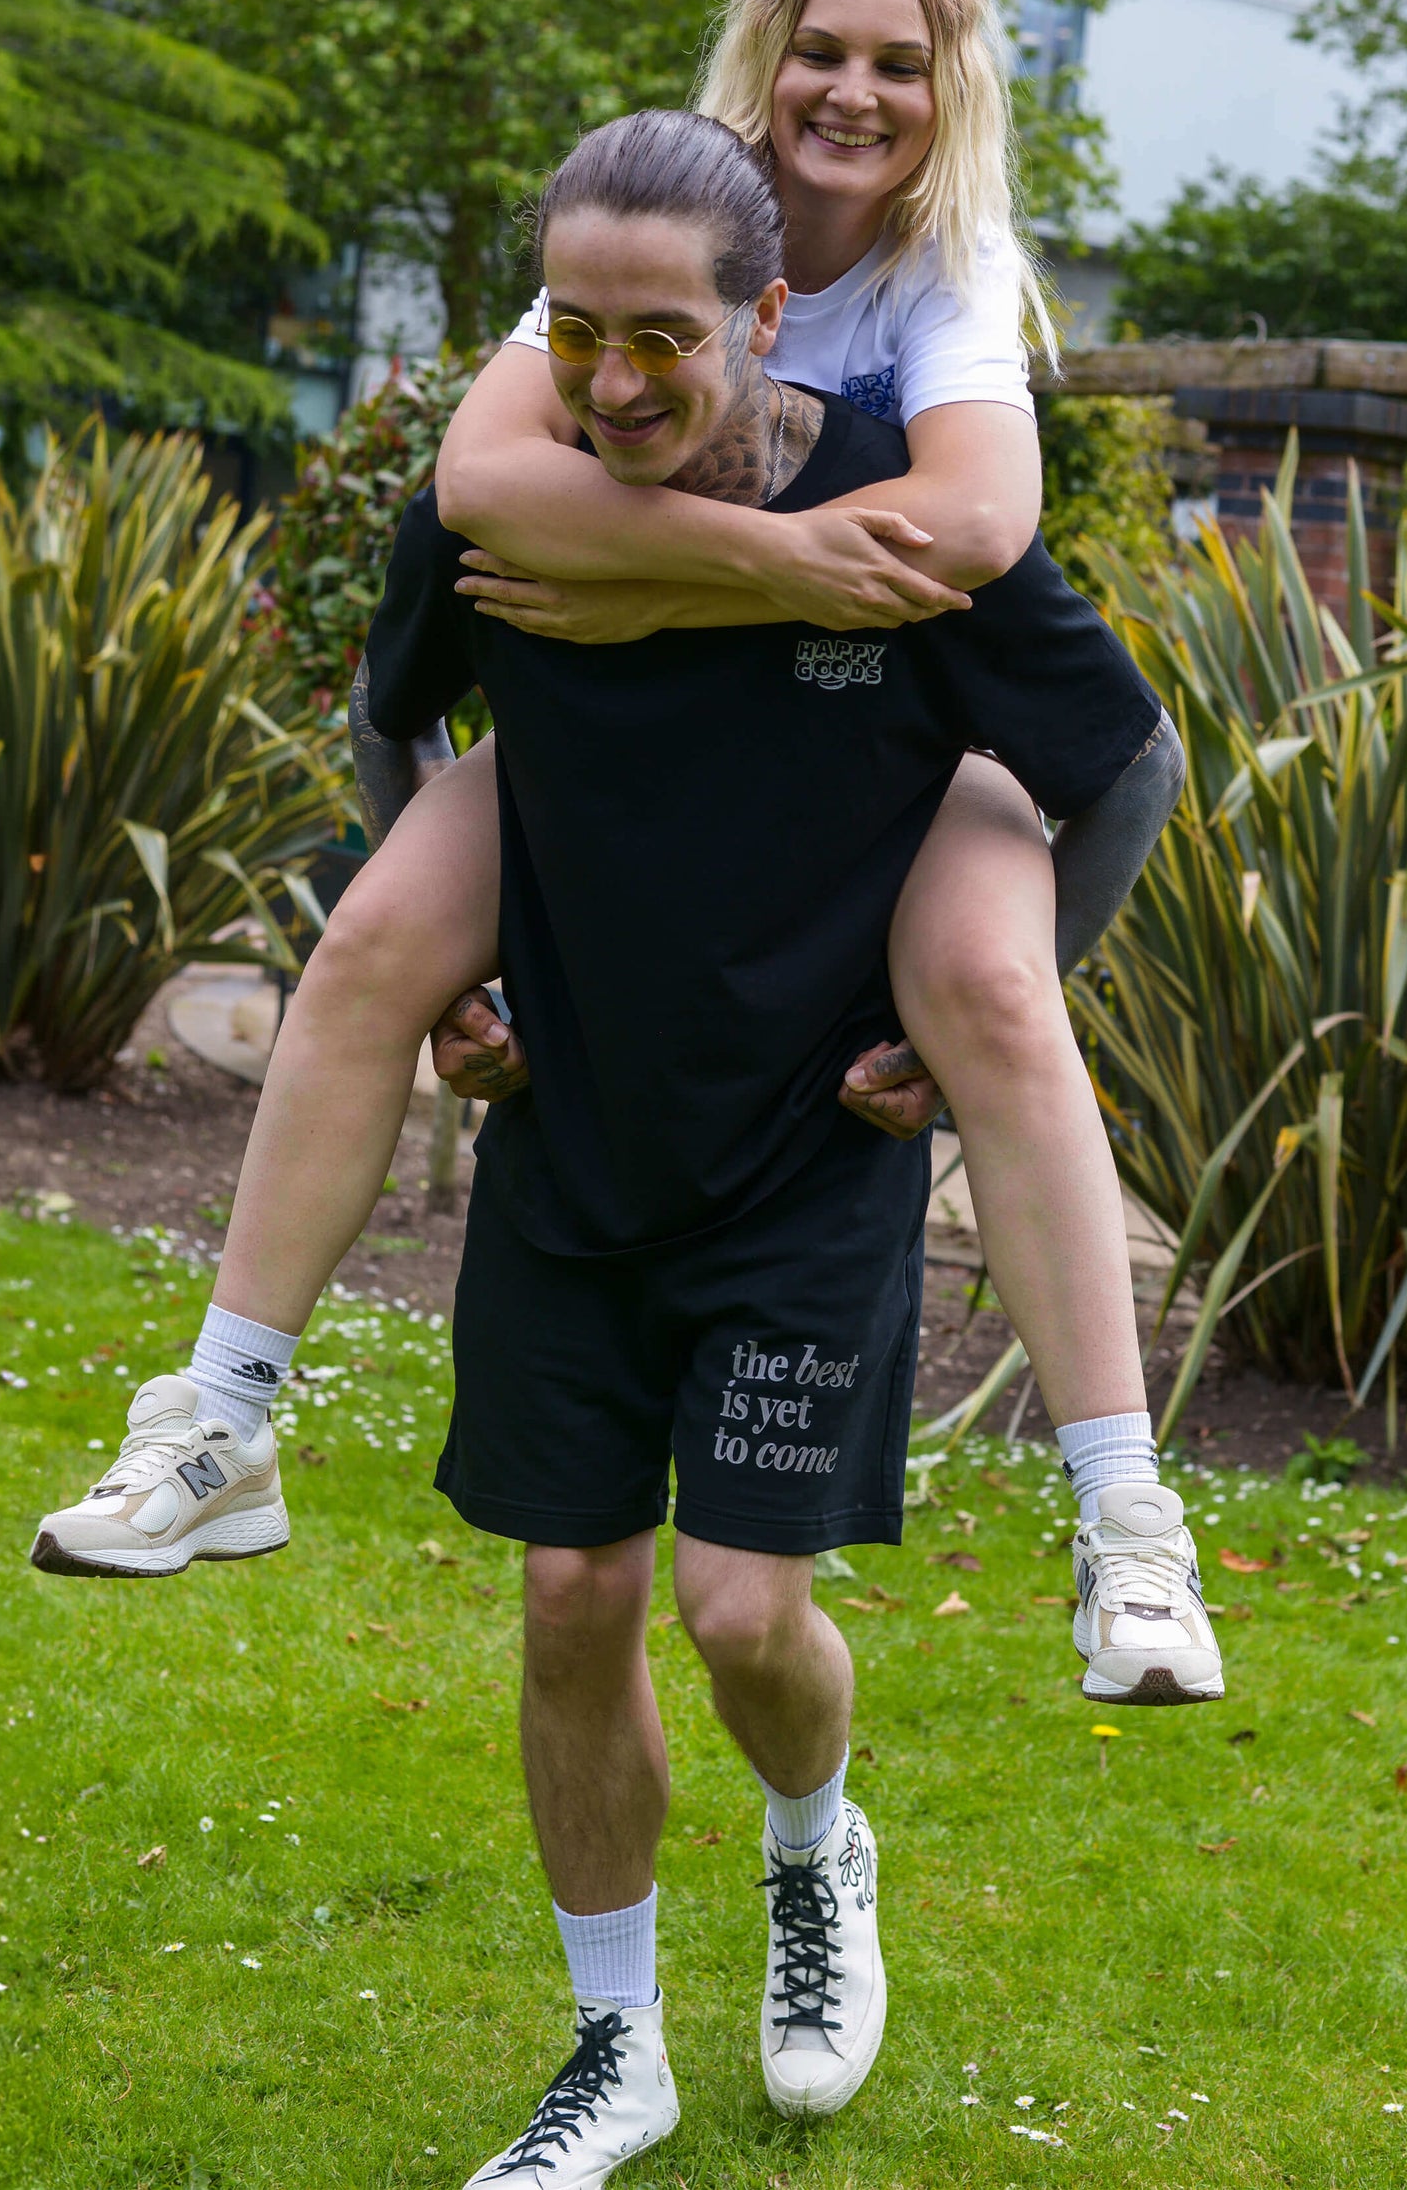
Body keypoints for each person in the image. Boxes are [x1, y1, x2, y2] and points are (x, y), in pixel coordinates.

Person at [28, 0, 1217, 1715]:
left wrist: (672, 581)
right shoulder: (650, 218)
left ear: (950, 88)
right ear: (764, 48)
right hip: (638, 742)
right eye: (823, 46)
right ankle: (221, 1415)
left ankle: (1125, 1515)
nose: (853, 88)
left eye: (900, 61)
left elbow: (969, 534)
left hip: (893, 743)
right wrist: (747, 564)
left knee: (993, 992)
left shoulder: (944, 268)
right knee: (371, 943)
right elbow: (485, 478)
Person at [358, 113, 1210, 2179]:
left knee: (743, 1613)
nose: (621, 379)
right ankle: (610, 2044)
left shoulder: (908, 518)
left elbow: (1120, 764)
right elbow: (392, 708)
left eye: (669, 334)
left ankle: (818, 1851)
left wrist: (980, 1005)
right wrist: (434, 962)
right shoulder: (516, 506)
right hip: (576, 1130)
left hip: (809, 1141)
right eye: (582, 333)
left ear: (765, 316)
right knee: (571, 1589)